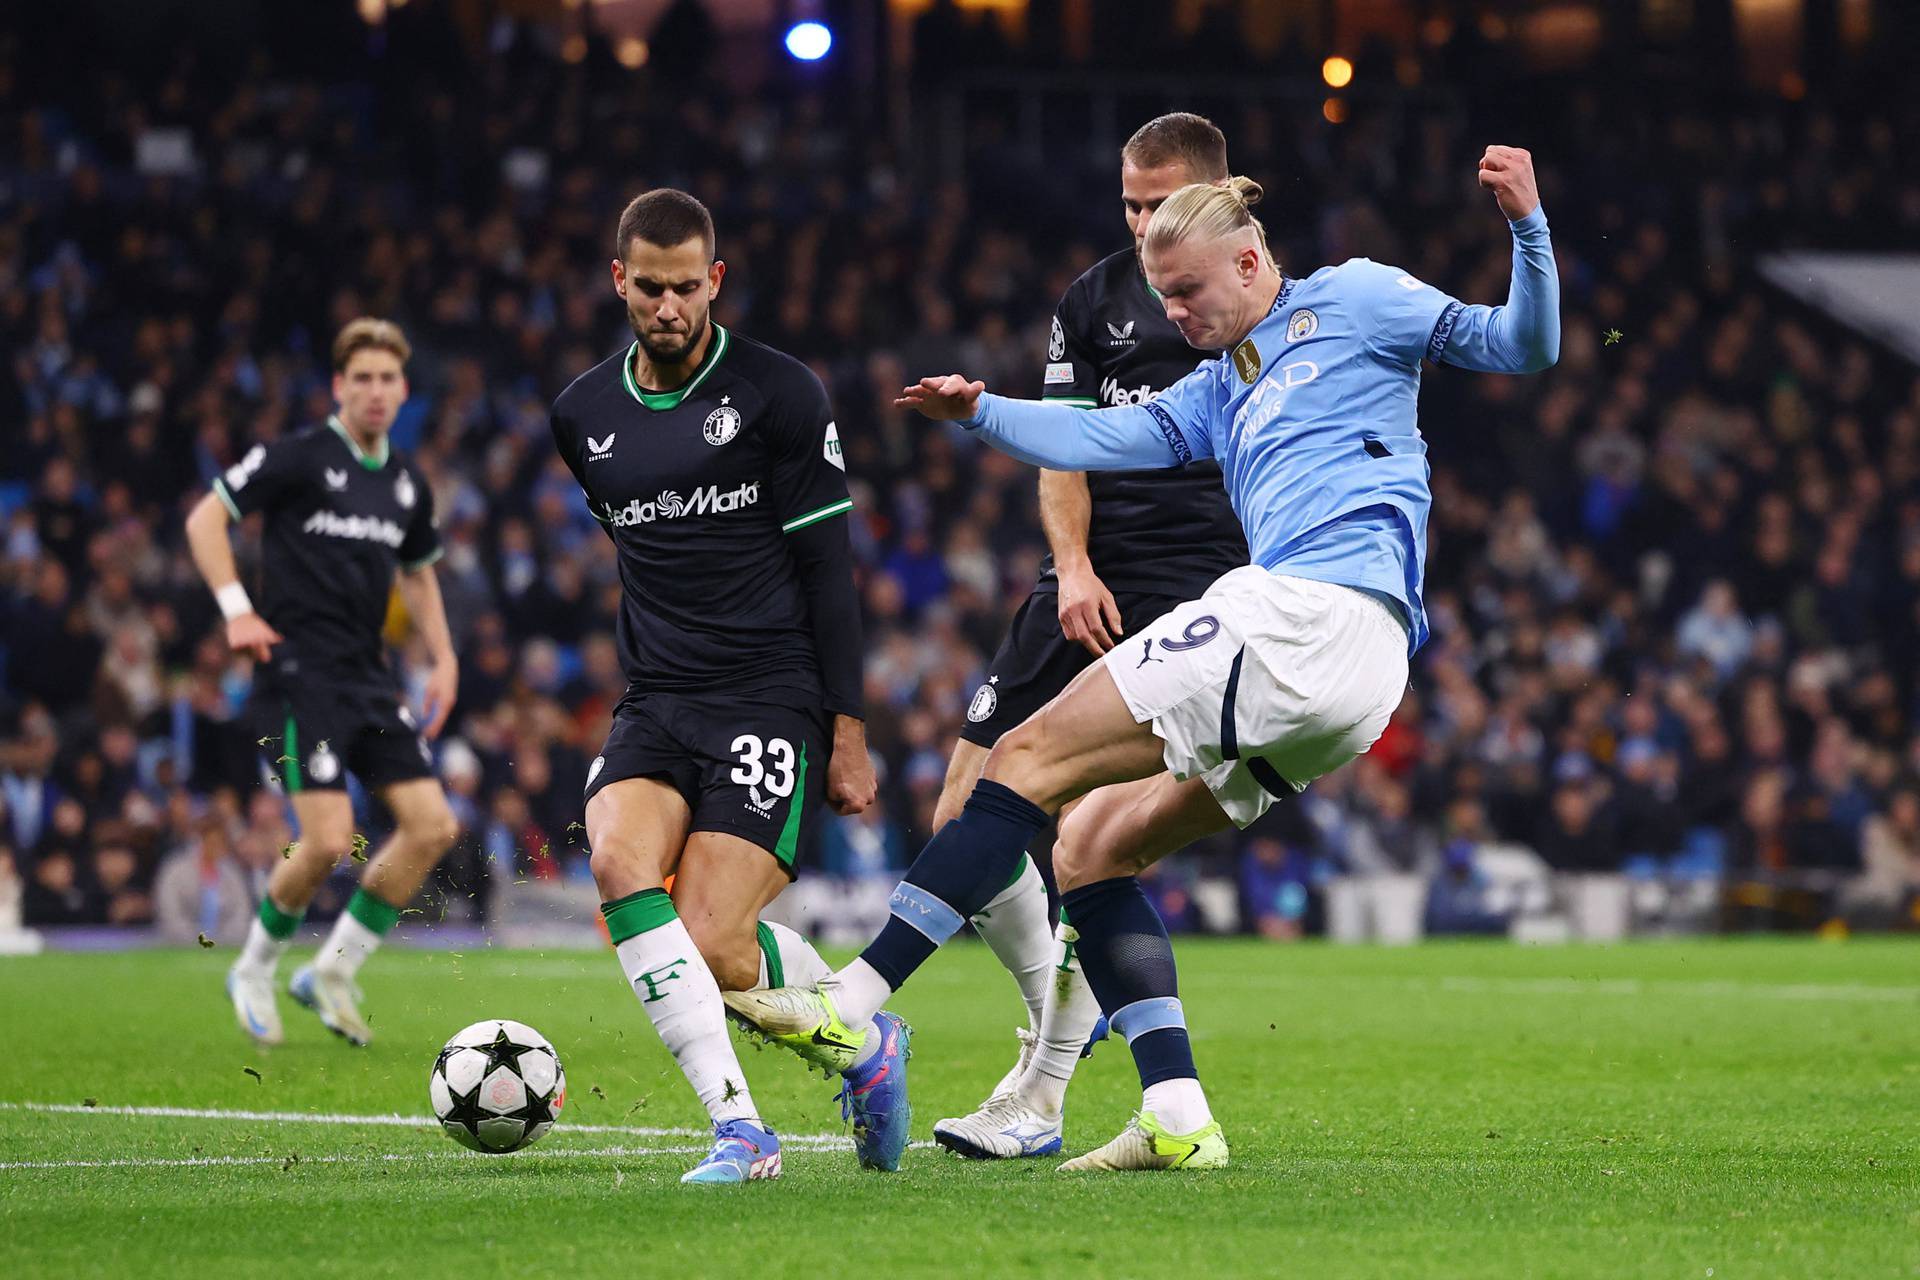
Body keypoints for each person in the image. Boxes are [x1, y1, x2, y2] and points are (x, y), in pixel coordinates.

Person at [726, 146, 1560, 1171]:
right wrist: (981, 411)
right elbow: (1102, 440)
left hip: (1305, 613)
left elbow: (1522, 345)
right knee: (1094, 849)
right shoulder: (1223, 389)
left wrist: (1525, 225)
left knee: (1022, 757)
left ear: (1251, 263)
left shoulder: (1355, 296)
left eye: (1190, 291)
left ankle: (854, 1002)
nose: (1176, 314)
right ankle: (1176, 1111)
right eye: (1164, 297)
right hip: (1358, 678)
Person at [549, 188, 900, 1185]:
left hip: (768, 695)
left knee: (712, 936)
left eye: (686, 287)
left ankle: (866, 1045)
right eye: (650, 287)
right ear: (620, 280)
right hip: (657, 694)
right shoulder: (581, 414)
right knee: (618, 862)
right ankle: (743, 1130)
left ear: (716, 280)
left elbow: (830, 572)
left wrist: (847, 727)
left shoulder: (780, 392)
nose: (669, 305)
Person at [929, 112, 1252, 1162]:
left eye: (1161, 204)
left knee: (1093, 843)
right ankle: (1052, 1035)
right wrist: (1072, 564)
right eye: (1130, 203)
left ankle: (1046, 1084)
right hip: (1087, 583)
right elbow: (1062, 448)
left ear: (1217, 200)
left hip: (1198, 595)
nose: (1143, 223)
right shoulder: (1093, 298)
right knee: (960, 812)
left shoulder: (1254, 302)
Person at [184, 319, 461, 1048]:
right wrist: (238, 611)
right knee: (328, 841)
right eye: (360, 378)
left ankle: (333, 970)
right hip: (297, 671)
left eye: (387, 379)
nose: (374, 391)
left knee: (433, 826)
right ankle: (253, 968)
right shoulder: (298, 456)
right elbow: (206, 519)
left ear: (404, 390)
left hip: (368, 674)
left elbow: (420, 572)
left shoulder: (404, 480)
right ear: (338, 387)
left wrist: (444, 657)